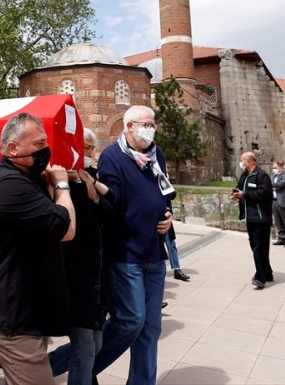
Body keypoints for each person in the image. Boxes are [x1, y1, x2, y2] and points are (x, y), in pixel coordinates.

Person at [0, 112, 75, 384]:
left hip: (26, 314)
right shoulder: (10, 184)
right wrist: (62, 186)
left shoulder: (22, 177)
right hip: (13, 320)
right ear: (13, 148)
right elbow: (66, 230)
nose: (46, 150)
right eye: (39, 144)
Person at [92, 105, 174, 385]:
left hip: (154, 251)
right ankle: (77, 364)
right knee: (130, 321)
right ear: (129, 126)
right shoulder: (111, 157)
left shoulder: (156, 154)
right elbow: (112, 202)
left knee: (151, 328)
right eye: (145, 124)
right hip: (127, 253)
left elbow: (165, 191)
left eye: (153, 124)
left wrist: (168, 215)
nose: (151, 128)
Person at [48, 127, 116, 385]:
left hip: (95, 276)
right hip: (71, 273)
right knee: (85, 344)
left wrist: (95, 199)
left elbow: (114, 214)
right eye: (81, 146)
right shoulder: (58, 178)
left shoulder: (93, 178)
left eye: (89, 148)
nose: (86, 152)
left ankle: (36, 371)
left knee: (96, 343)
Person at [233, 151, 273, 289]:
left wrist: (244, 194)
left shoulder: (262, 176)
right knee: (255, 246)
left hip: (261, 218)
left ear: (249, 162)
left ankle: (260, 278)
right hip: (250, 217)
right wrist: (236, 193)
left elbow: (263, 194)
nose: (240, 162)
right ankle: (267, 272)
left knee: (259, 248)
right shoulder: (245, 175)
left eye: (242, 160)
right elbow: (240, 188)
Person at [271, 160, 285, 247]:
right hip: (274, 201)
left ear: (280, 167)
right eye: (273, 168)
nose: (274, 169)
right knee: (278, 221)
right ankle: (281, 238)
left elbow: (282, 183)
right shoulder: (273, 176)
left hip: (283, 201)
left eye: (275, 167)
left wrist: (273, 185)